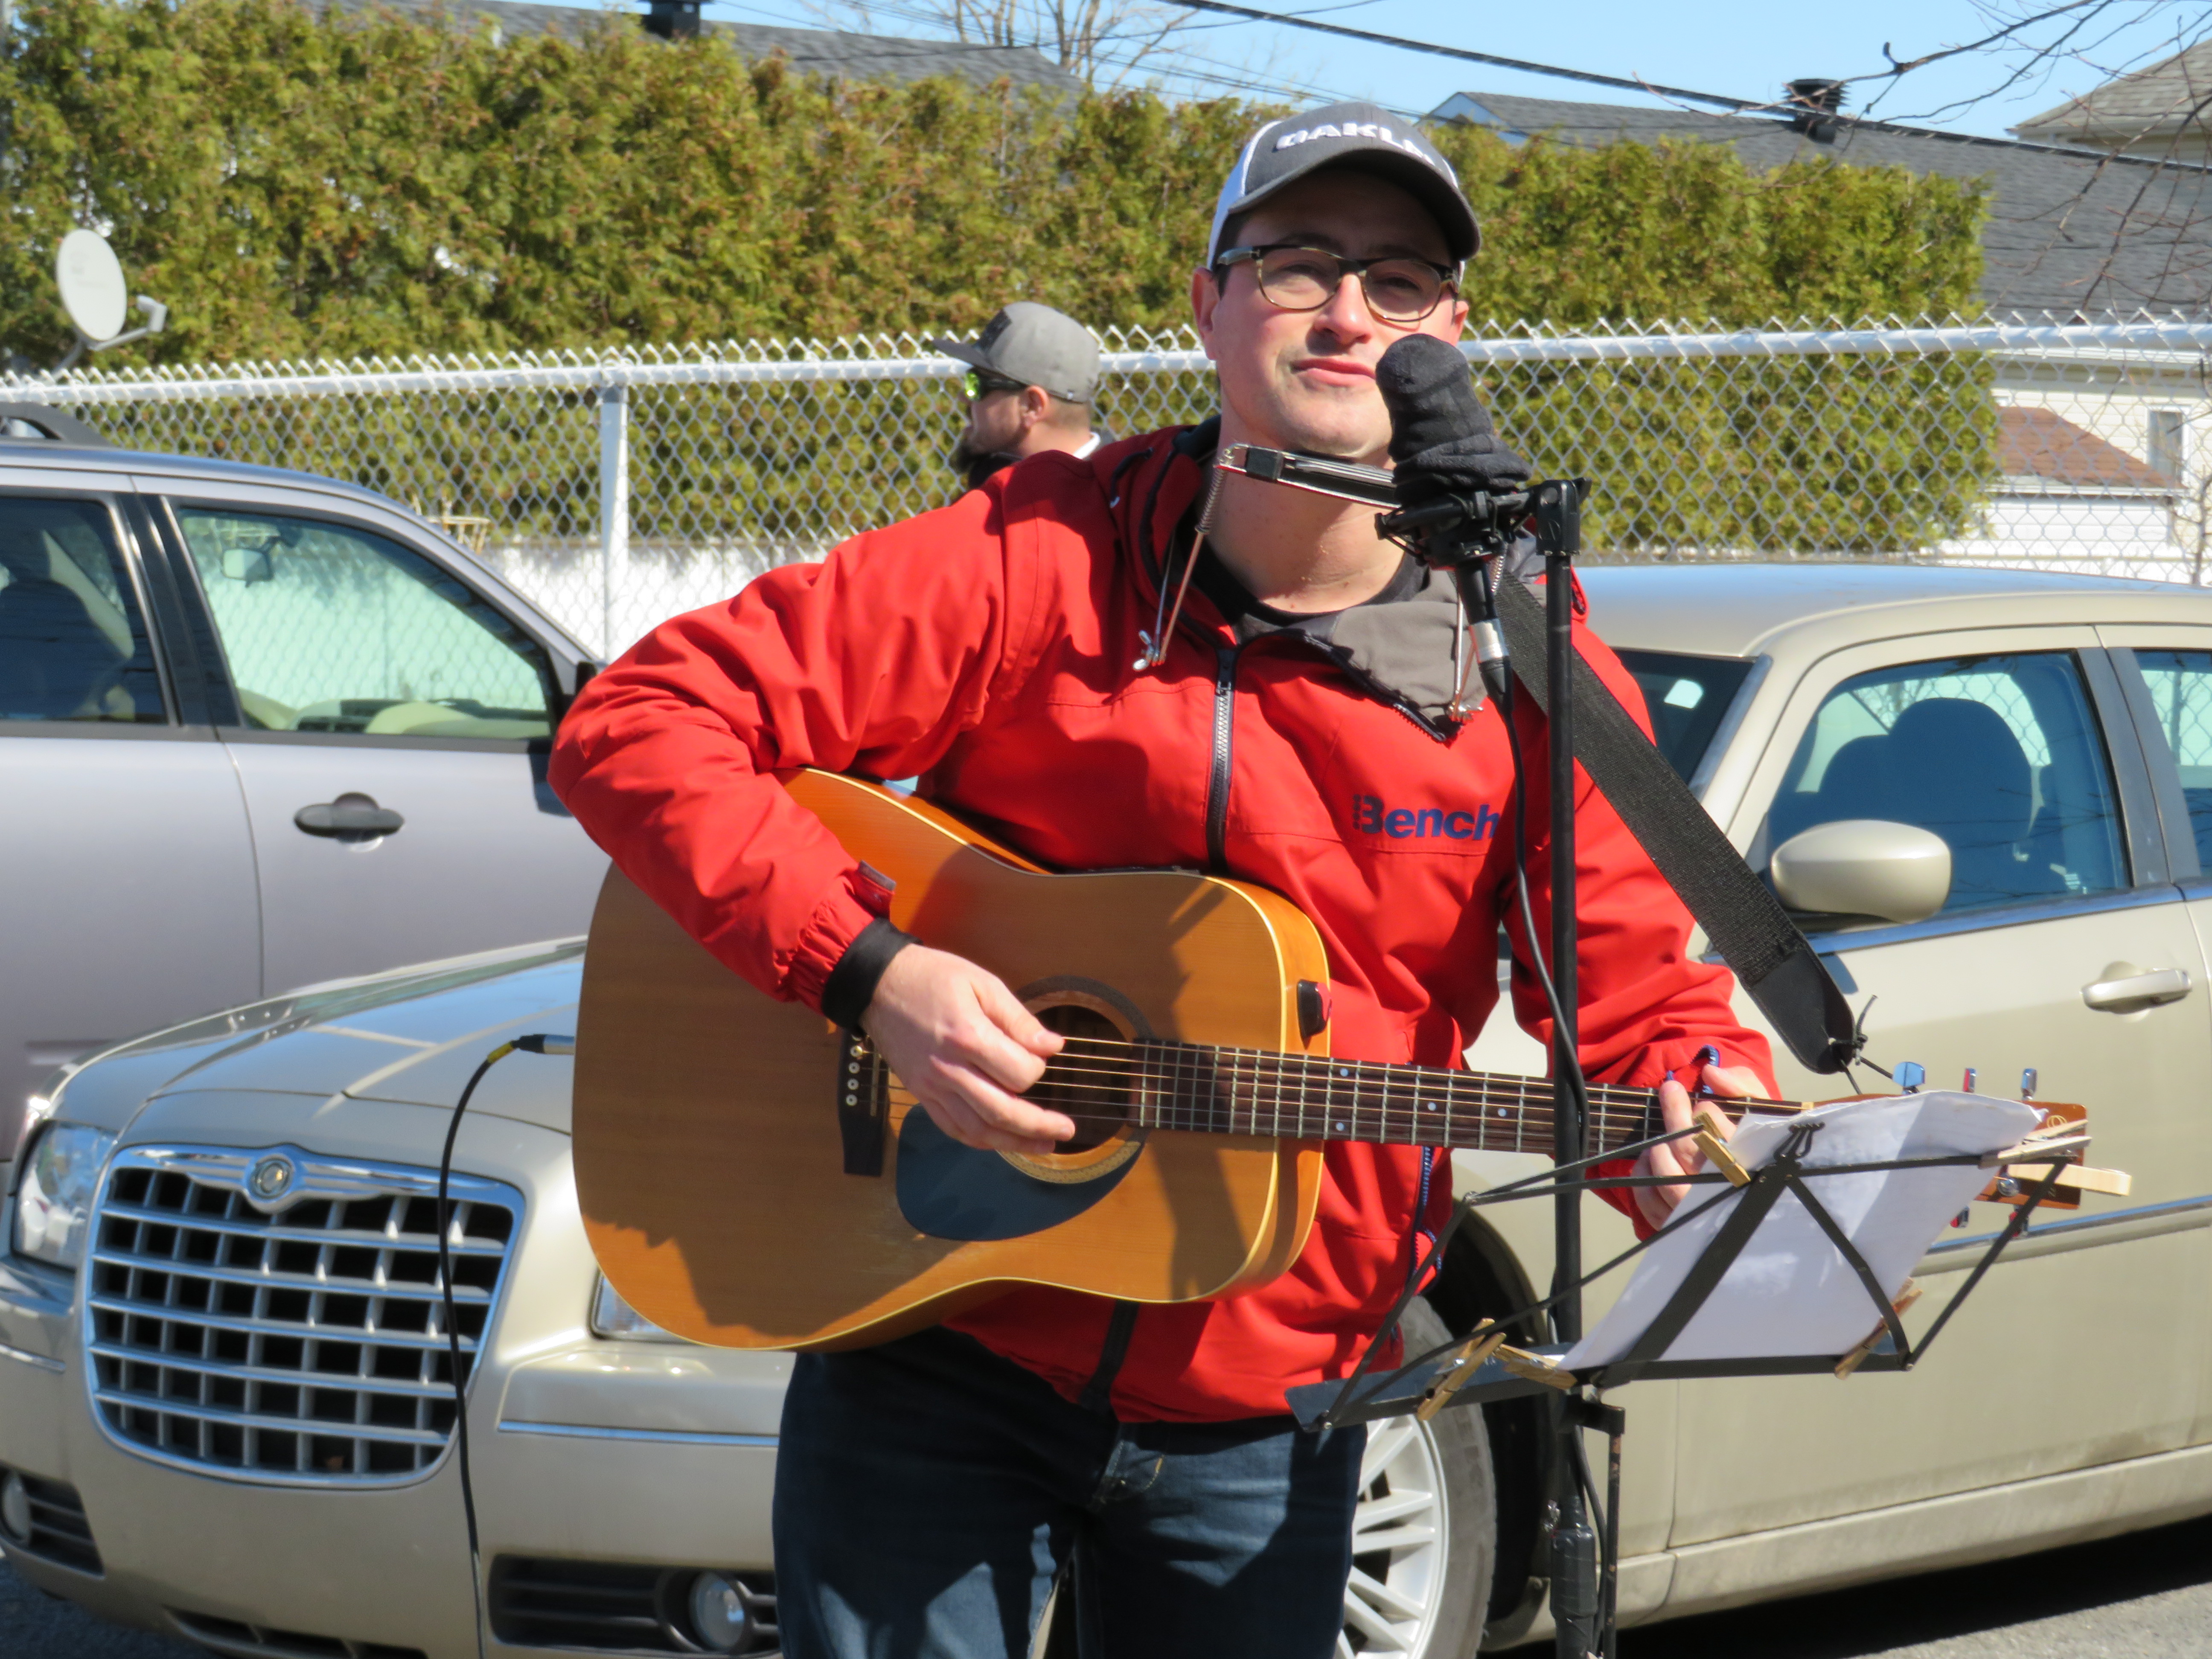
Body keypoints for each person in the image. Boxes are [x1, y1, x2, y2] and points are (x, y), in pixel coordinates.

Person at [551, 99, 1772, 1659]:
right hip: (935, 1326)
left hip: (1277, 1398)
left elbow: (1636, 997)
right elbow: (641, 721)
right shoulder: (1041, 554)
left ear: (1448, 332)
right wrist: (876, 976)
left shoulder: (1522, 648)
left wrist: (1691, 1114)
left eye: (1398, 279)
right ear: (1206, 305)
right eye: (1298, 263)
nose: (1349, 313)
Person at [933, 302, 1112, 489]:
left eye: (976, 385)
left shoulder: (1117, 496)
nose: (964, 397)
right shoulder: (991, 480)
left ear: (1032, 406)